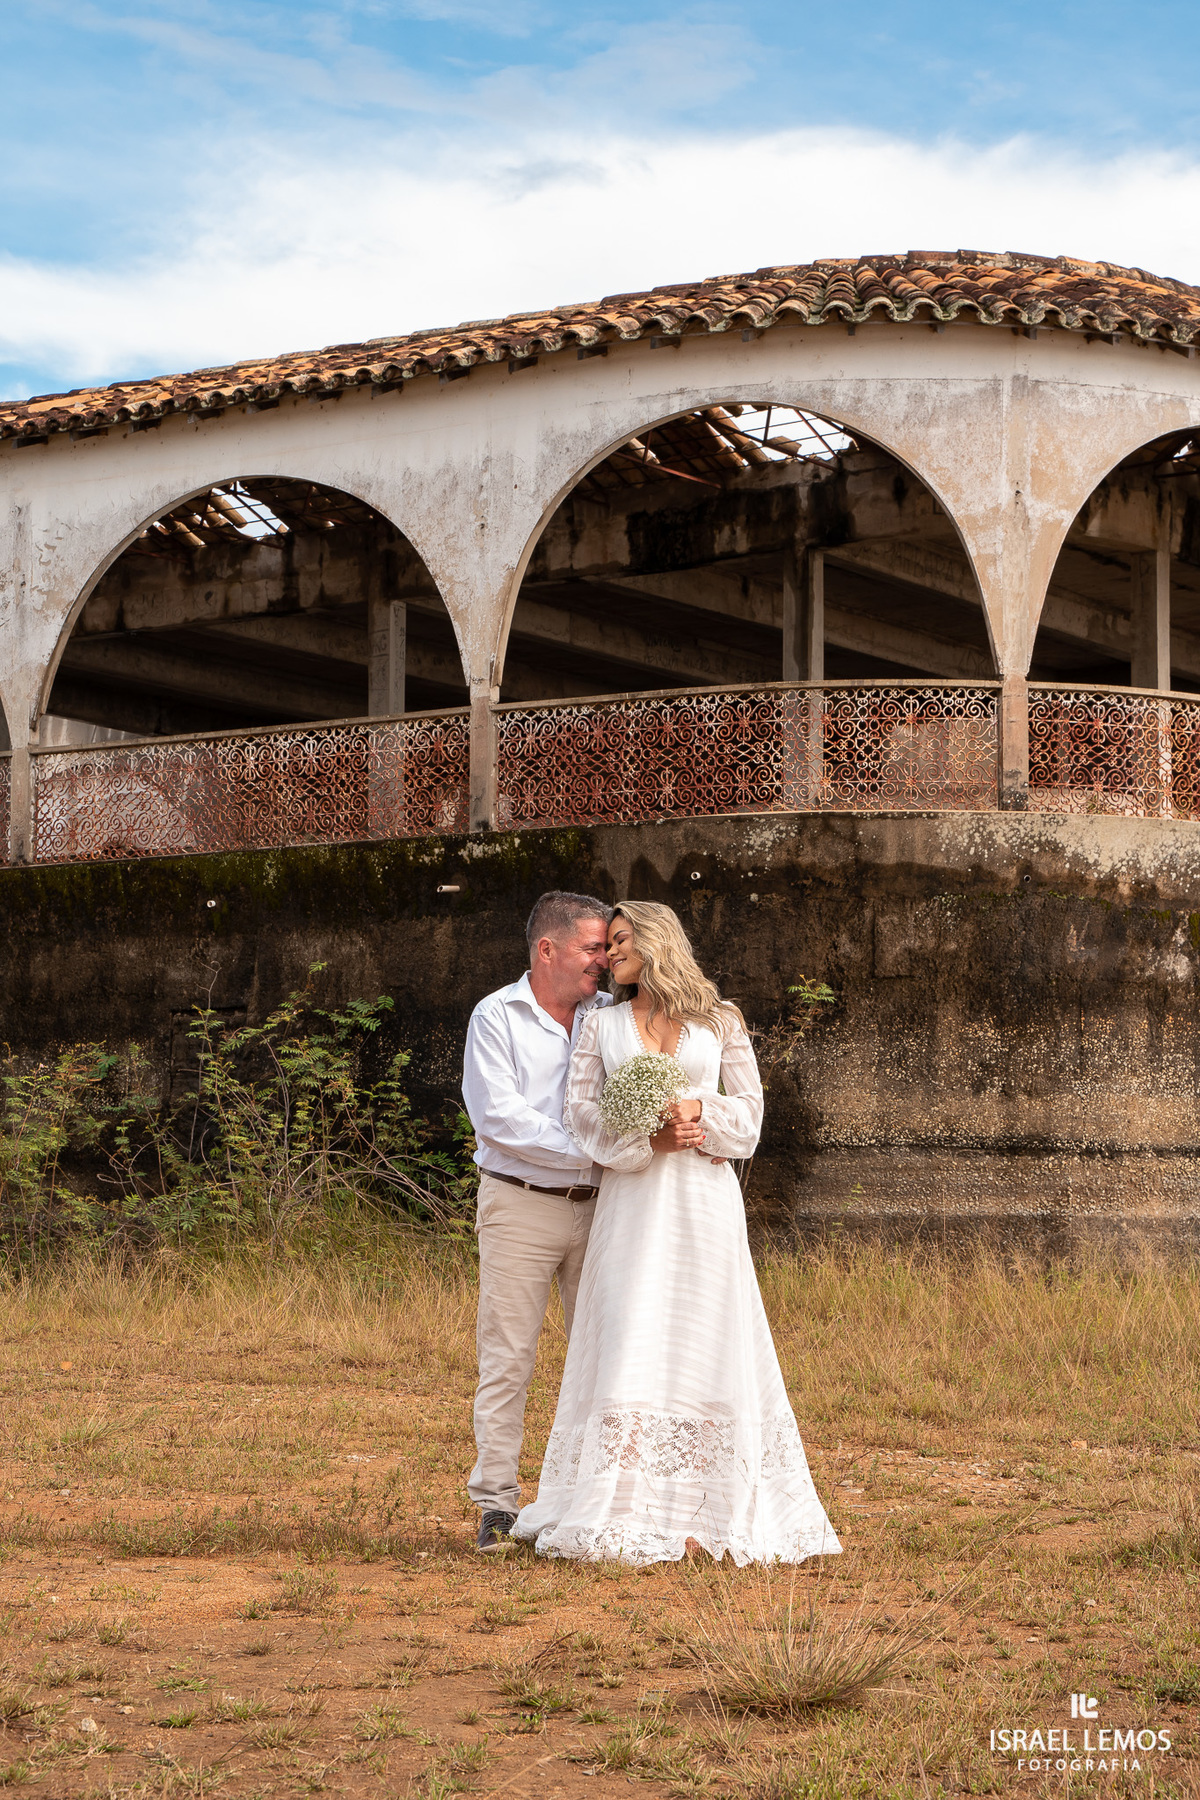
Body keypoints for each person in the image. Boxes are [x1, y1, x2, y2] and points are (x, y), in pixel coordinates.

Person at [512, 900, 841, 1566]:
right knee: (631, 1329)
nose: (609, 955)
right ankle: (625, 1502)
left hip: (703, 1203)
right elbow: (581, 1115)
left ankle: (708, 1509)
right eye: (606, 945)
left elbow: (749, 1118)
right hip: (633, 1200)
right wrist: (646, 1140)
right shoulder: (600, 1024)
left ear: (657, 943)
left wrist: (697, 1111)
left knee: (705, 1333)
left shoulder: (721, 1021)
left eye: (621, 941)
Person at [461, 890, 613, 1552]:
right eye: (592, 947)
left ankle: (589, 1498)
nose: (603, 960)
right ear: (547, 949)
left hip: (606, 1208)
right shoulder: (497, 1016)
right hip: (521, 1204)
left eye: (606, 948)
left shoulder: (611, 1016)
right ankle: (496, 1503)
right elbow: (499, 1118)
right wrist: (596, 1147)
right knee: (508, 1356)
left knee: (603, 1354)